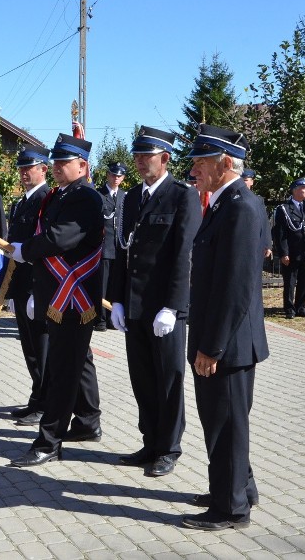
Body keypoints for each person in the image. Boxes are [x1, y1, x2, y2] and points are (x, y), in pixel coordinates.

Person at [184, 124, 269, 531]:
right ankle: (235, 488)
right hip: (218, 339)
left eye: (201, 161)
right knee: (223, 422)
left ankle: (232, 508)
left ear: (224, 164)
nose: (194, 168)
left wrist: (211, 347)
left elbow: (235, 288)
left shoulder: (241, 206)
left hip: (228, 346)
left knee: (228, 424)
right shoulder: (223, 203)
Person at [108, 126, 201, 477]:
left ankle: (169, 447)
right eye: (137, 156)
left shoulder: (182, 196)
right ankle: (150, 441)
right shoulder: (131, 198)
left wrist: (173, 306)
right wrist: (116, 299)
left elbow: (184, 256)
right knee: (142, 378)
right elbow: (122, 251)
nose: (139, 162)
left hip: (164, 309)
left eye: (146, 156)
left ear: (165, 158)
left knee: (169, 378)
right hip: (135, 306)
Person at [7, 133, 103, 467]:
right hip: (59, 297)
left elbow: (59, 238)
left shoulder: (85, 197)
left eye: (65, 162)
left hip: (74, 299)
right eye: (57, 162)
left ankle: (49, 441)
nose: (58, 167)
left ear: (83, 165)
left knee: (63, 370)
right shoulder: (62, 195)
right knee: (78, 363)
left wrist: (24, 251)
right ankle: (88, 421)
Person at [5, 144, 51, 426]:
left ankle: (46, 404)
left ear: (43, 169)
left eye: (29, 168)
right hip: (22, 286)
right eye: (21, 168)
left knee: (42, 349)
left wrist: (37, 291)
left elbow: (46, 248)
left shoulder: (47, 200)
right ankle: (37, 398)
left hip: (38, 287)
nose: (23, 172)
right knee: (30, 348)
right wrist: (11, 291)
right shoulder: (21, 203)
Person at [273, 177, 305, 318]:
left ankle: (301, 307)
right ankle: (289, 308)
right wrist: (283, 253)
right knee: (290, 282)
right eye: (304, 188)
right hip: (292, 252)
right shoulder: (284, 209)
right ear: (295, 190)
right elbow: (280, 233)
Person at [95, 161, 126, 332]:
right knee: (103, 285)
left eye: (119, 175)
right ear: (107, 175)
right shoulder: (98, 195)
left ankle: (111, 319)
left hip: (118, 248)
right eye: (113, 174)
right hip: (104, 247)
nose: (116, 178)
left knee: (116, 286)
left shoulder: (124, 196)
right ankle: (100, 319)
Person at [242, 168, 273, 258]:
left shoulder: (258, 200)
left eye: (245, 180)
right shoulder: (231, 198)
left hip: (254, 243)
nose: (243, 183)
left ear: (252, 182)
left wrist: (267, 244)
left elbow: (264, 222)